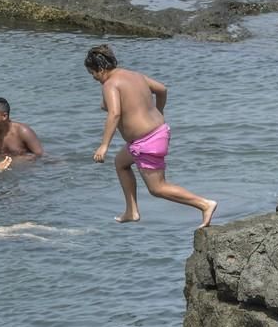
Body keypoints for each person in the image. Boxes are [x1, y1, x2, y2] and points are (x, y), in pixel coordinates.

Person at [85, 44, 217, 228]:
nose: (94, 79)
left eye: (93, 74)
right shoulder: (134, 75)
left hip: (146, 142)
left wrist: (104, 145)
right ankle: (131, 210)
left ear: (100, 69)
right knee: (121, 163)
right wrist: (159, 111)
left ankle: (204, 204)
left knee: (157, 188)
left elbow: (114, 113)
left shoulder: (110, 84)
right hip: (156, 133)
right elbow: (162, 89)